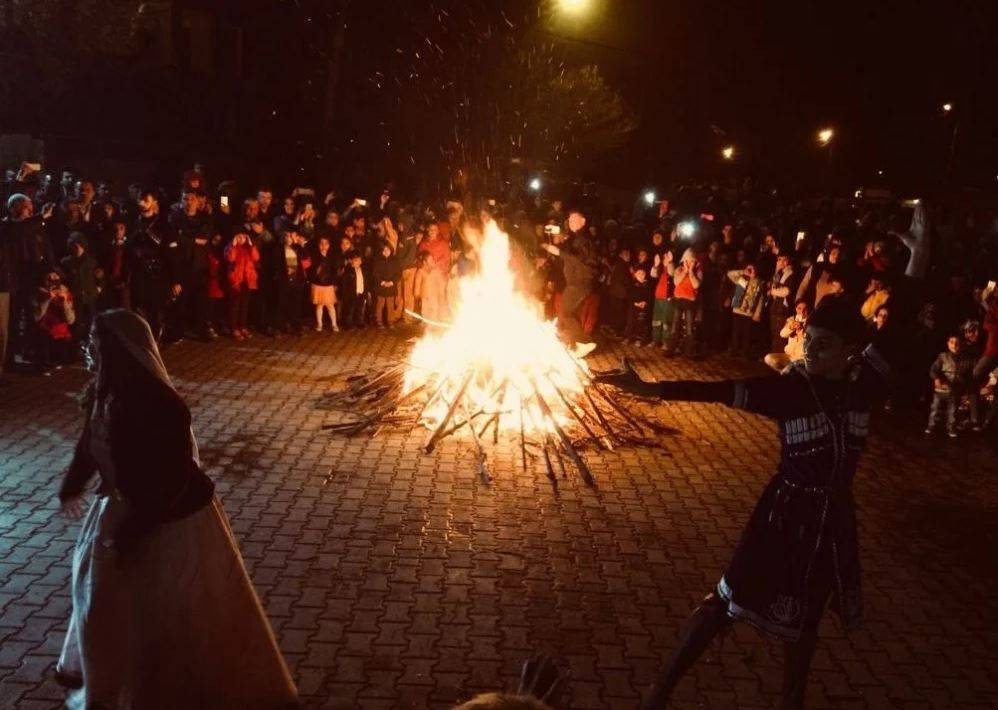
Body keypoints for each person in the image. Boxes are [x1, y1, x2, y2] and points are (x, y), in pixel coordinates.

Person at [595, 296, 890, 710]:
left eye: (823, 344)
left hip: (831, 524)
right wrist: (651, 389)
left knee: (807, 619)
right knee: (725, 602)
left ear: (850, 350)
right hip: (783, 516)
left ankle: (792, 704)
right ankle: (657, 695)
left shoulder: (863, 387)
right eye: (808, 339)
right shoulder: (791, 390)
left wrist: (915, 265)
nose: (810, 350)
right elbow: (719, 392)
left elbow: (902, 319)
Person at [55, 309, 298, 709]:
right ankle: (118, 685)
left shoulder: (161, 406)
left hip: (171, 522)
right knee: (105, 605)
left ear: (118, 349)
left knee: (169, 611)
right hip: (121, 509)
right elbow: (89, 443)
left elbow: (171, 480)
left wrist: (132, 532)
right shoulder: (103, 391)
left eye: (96, 342)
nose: (89, 349)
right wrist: (70, 488)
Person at [925, 334, 968, 438]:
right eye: (952, 342)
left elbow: (967, 376)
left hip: (954, 391)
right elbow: (933, 370)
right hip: (941, 389)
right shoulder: (942, 357)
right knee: (935, 409)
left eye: (957, 343)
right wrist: (936, 379)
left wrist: (964, 390)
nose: (955, 345)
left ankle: (950, 428)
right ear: (948, 344)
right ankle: (931, 426)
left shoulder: (965, 360)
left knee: (952, 411)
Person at [225, 230, 260, 340]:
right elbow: (230, 258)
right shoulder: (231, 247)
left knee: (244, 305)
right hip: (236, 280)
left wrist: (251, 245)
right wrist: (233, 244)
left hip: (248, 280)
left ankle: (243, 326)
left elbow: (256, 257)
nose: (241, 239)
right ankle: (233, 328)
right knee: (235, 305)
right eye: (239, 237)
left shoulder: (249, 247)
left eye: (243, 237)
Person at [308, 235, 339, 333]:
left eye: (326, 244)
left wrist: (334, 283)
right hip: (318, 284)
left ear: (329, 245)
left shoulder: (332, 257)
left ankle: (334, 324)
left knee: (330, 305)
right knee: (319, 305)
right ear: (318, 245)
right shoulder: (315, 257)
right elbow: (311, 270)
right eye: (321, 244)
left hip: (328, 285)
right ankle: (319, 324)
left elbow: (334, 271)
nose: (323, 246)